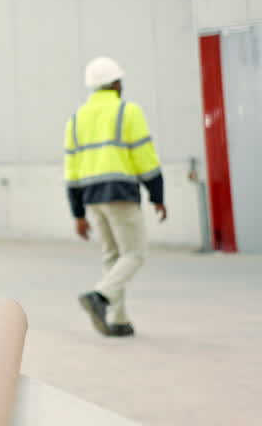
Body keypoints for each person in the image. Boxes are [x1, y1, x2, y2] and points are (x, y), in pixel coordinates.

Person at [66, 56, 167, 337]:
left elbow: (71, 170)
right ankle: (100, 296)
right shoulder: (128, 111)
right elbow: (144, 156)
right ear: (116, 83)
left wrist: (77, 214)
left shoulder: (77, 118)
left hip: (91, 197)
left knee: (112, 255)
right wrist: (157, 195)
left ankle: (118, 319)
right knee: (135, 253)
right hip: (120, 194)